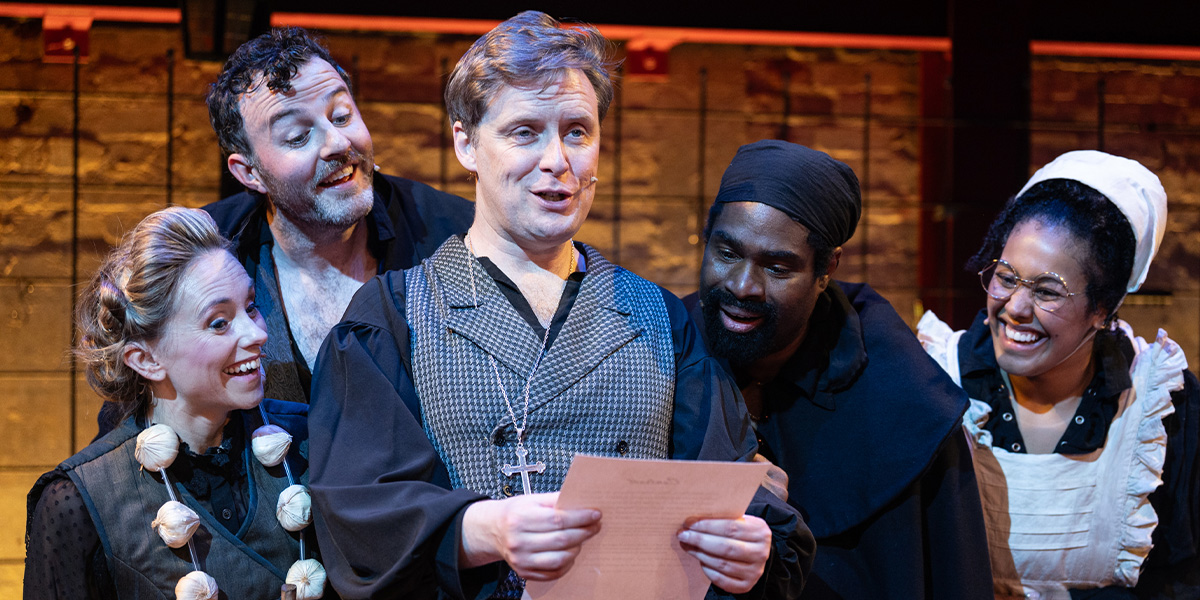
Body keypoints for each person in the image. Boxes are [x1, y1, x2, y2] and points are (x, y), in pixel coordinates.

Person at [307, 12, 814, 600]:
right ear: (466, 143)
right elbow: (360, 509)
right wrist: (484, 529)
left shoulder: (659, 319)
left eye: (577, 132)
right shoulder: (395, 316)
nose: (557, 160)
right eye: (525, 132)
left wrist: (749, 553)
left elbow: (732, 485)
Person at [686, 139, 994, 599]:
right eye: (727, 254)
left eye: (777, 267)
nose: (743, 286)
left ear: (826, 269)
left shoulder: (905, 396)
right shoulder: (664, 350)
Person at [918, 150, 1200, 599]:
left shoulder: (1158, 408)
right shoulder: (933, 382)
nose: (1015, 308)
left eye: (1047, 291)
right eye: (1006, 277)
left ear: (1103, 308)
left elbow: (1180, 580)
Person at [25, 208, 327, 599]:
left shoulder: (309, 443)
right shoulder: (79, 504)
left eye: (250, 306)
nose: (257, 333)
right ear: (146, 360)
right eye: (219, 322)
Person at [203, 26, 474, 404]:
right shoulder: (204, 252)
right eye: (298, 136)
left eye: (342, 116)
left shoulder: (460, 237)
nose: (337, 142)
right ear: (250, 173)